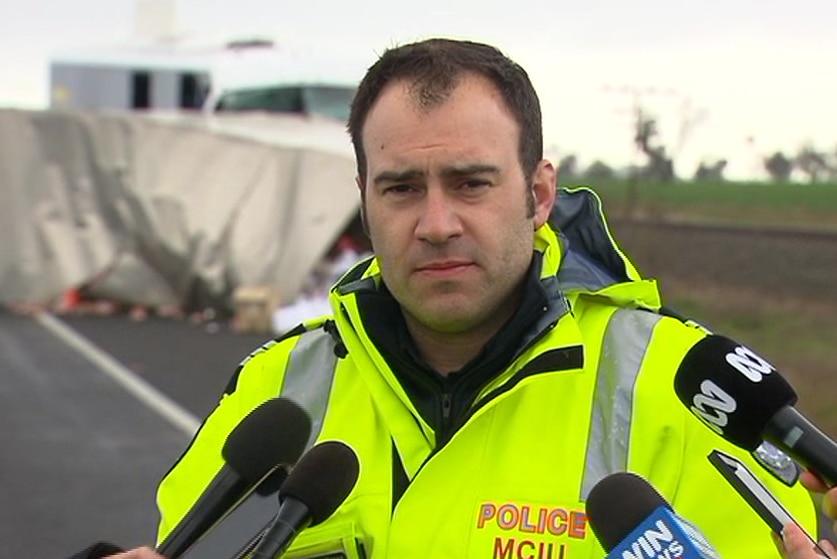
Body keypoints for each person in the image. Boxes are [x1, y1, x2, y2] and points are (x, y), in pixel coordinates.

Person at [99, 38, 832, 558]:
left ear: (538, 193)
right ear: (363, 199)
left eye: (471, 182)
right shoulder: (279, 388)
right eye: (401, 188)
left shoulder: (679, 389)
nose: (437, 223)